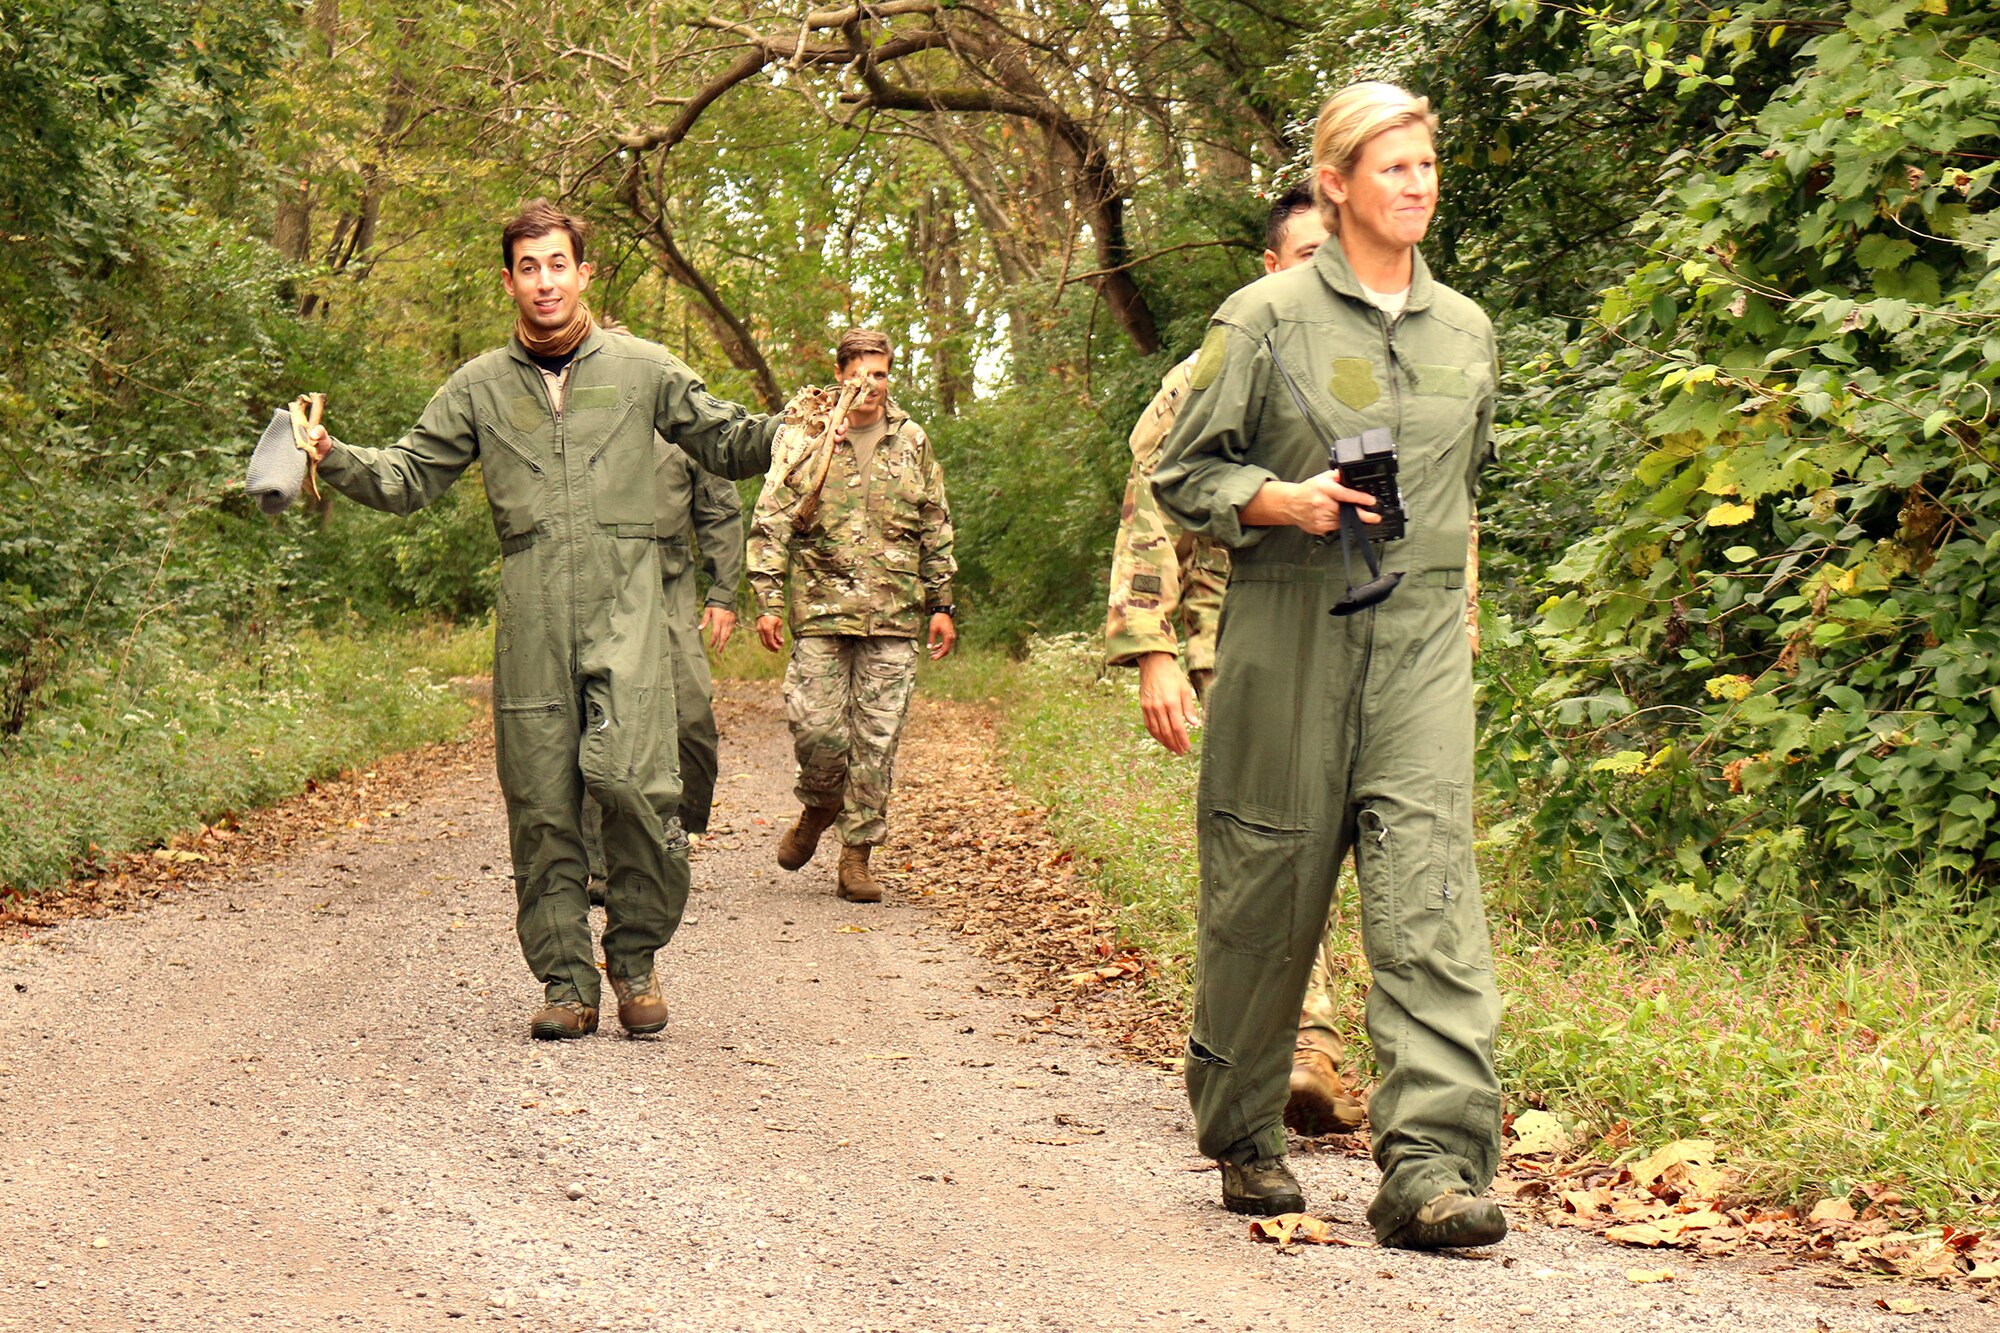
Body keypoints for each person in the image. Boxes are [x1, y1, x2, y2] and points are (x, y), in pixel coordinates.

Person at [1152, 83, 1506, 1250]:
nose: (1416, 184)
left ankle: (1430, 1168)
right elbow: (1181, 475)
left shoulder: (1466, 332)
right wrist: (1277, 499)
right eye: (1392, 168)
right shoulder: (1260, 318)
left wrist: (1458, 619)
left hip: (1415, 651)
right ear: (1337, 184)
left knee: (1429, 903)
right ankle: (1245, 1130)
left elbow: (1460, 500)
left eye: (1425, 166)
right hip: (1286, 633)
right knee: (1265, 887)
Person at [302, 200, 782, 1041]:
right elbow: (411, 474)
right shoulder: (478, 386)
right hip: (531, 608)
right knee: (542, 802)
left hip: (631, 602)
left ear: (583, 271)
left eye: (558, 263)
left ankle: (634, 959)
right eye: (529, 267)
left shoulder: (645, 369)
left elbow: (727, 440)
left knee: (637, 786)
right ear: (509, 281)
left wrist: (800, 431)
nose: (545, 280)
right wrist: (331, 457)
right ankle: (566, 981)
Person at [1104, 184, 1364, 1138]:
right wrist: (1152, 652)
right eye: (1304, 257)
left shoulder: (1381, 365)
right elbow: (1150, 513)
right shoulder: (1208, 372)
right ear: (1270, 267)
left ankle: (1307, 1044)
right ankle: (1301, 1044)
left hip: (1360, 629)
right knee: (1276, 838)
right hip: (1235, 630)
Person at [748, 329, 957, 904]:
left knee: (877, 740)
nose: (871, 386)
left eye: (882, 374)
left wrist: (942, 604)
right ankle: (818, 806)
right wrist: (767, 598)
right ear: (841, 374)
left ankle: (856, 858)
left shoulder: (911, 440)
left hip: (894, 615)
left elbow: (935, 524)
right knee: (817, 730)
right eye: (861, 374)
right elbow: (773, 521)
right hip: (821, 611)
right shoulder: (806, 439)